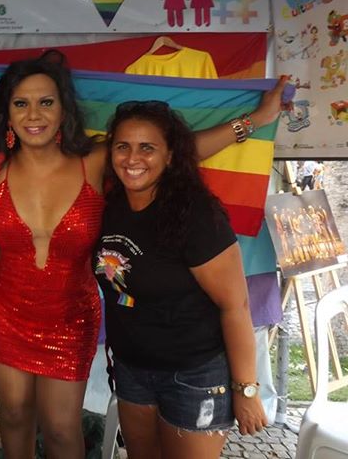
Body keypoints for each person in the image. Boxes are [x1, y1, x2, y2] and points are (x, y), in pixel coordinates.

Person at [0, 52, 284, 458]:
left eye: (46, 102)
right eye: (21, 103)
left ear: (64, 109)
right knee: (14, 420)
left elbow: (174, 152)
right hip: (7, 313)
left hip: (71, 319)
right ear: (7, 114)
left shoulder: (96, 161)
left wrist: (253, 121)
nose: (34, 114)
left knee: (64, 431)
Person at [94, 101, 267, 459]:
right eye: (123, 146)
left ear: (171, 156)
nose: (133, 158)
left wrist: (246, 389)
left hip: (194, 376)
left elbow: (235, 305)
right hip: (131, 369)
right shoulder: (111, 206)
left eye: (147, 147)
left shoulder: (195, 216)